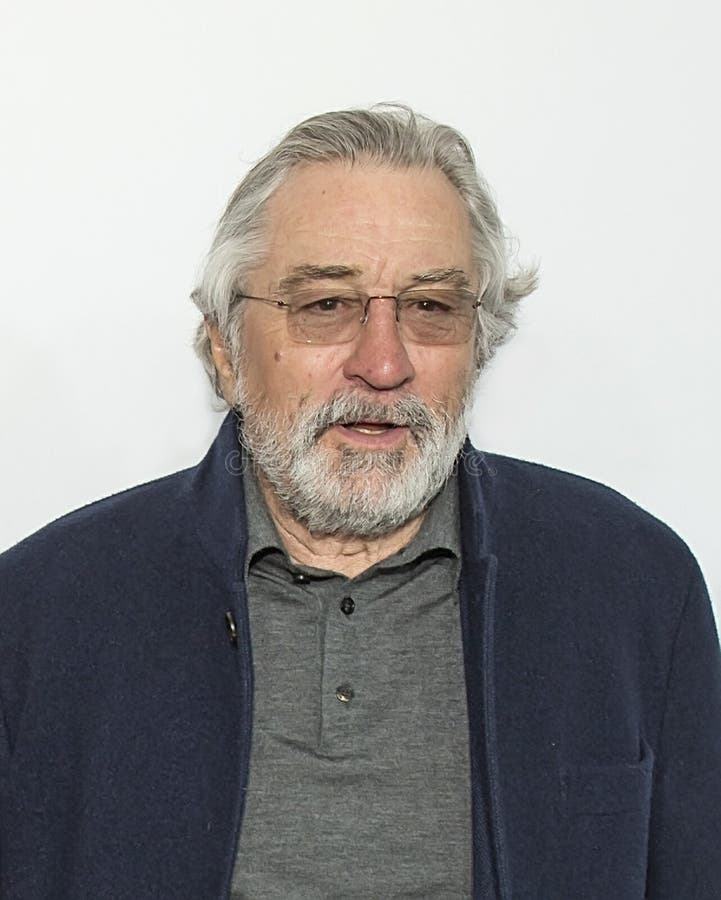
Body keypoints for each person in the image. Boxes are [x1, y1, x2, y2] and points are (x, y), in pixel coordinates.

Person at [1, 105, 719, 900]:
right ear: (225, 351)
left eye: (431, 308)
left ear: (477, 348)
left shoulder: (632, 588)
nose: (383, 364)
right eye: (326, 306)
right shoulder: (42, 611)